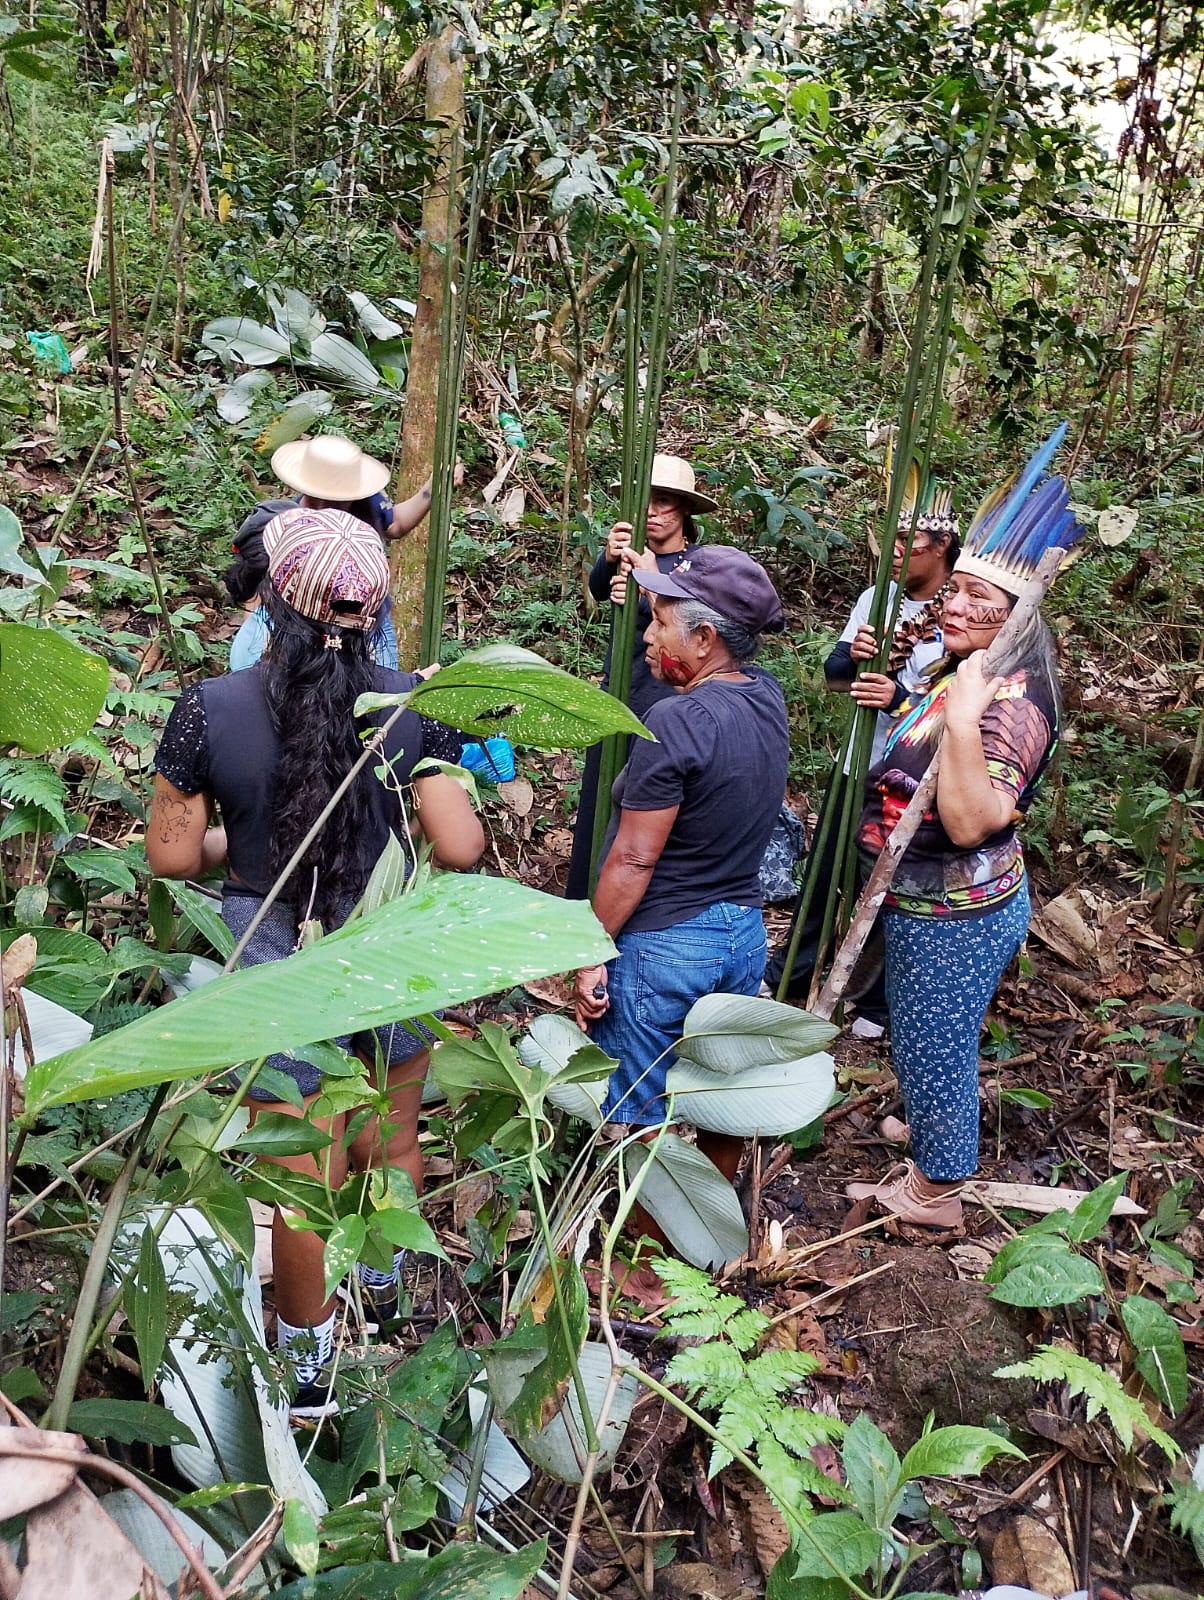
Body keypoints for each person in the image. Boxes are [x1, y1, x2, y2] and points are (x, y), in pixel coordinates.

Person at [148, 506, 484, 1415]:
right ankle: (386, 1283)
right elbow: (458, 846)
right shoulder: (414, 703)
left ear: (269, 599)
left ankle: (307, 1370)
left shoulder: (207, 710)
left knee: (304, 1176)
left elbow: (174, 858)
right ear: (372, 610)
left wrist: (234, 844)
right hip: (388, 941)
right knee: (392, 1133)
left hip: (270, 948)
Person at [845, 452, 1082, 1228]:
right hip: (927, 898)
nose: (953, 601)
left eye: (977, 595)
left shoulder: (1009, 698)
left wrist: (960, 715)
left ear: (1016, 613)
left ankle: (937, 1190)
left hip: (958, 911)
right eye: (957, 588)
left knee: (931, 1040)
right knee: (921, 1033)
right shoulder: (967, 666)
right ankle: (932, 1136)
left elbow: (975, 818)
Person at [572, 546, 789, 1186]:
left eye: (660, 622)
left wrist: (590, 949)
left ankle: (639, 1265)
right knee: (722, 1094)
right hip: (742, 936)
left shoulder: (678, 718)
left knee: (634, 1109)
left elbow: (635, 857)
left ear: (703, 637)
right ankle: (710, 1240)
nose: (646, 635)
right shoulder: (767, 697)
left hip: (666, 943)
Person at [764, 497, 960, 1023]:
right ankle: (793, 973)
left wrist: (900, 701)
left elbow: (963, 705)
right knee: (825, 871)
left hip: (916, 777)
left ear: (940, 548)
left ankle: (875, 997)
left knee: (892, 885)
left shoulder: (961, 610)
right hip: (859, 762)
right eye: (892, 541)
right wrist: (855, 656)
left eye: (908, 545)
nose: (894, 553)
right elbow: (832, 677)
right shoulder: (880, 597)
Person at [564, 453, 717, 900]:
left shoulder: (699, 567)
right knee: (597, 799)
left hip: (666, 702)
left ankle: (628, 901)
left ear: (684, 510)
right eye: (647, 499)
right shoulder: (631, 555)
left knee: (643, 806)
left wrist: (648, 590)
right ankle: (583, 900)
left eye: (665, 501)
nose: (652, 510)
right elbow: (596, 589)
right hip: (617, 693)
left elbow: (690, 631)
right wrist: (609, 562)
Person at [225, 434, 456, 671]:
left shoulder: (367, 502)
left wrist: (434, 486)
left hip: (365, 619)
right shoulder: (283, 525)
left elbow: (395, 524)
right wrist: (255, 642)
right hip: (301, 620)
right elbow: (256, 596)